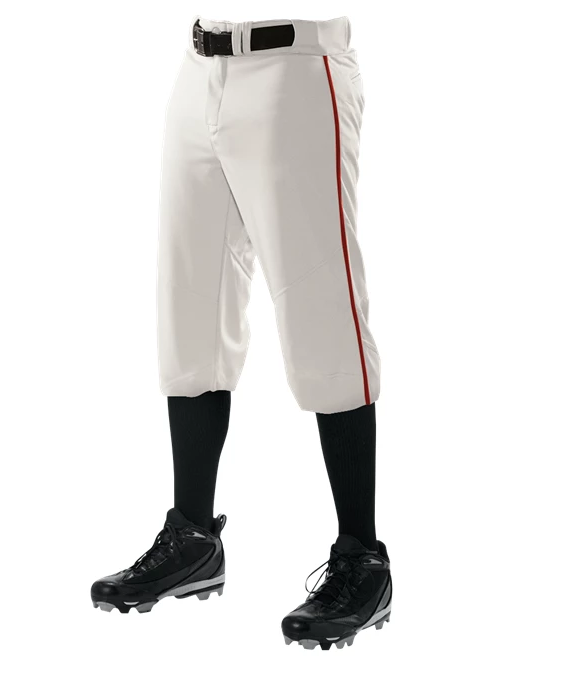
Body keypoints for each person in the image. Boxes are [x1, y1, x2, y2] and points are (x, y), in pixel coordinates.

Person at [91, 16, 391, 650]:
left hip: (296, 63)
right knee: (190, 306)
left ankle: (363, 561)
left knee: (320, 307)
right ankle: (193, 538)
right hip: (201, 66)